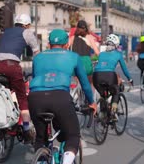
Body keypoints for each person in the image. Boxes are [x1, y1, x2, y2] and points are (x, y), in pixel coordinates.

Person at [29, 29, 96, 164]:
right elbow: (85, 84)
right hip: (60, 98)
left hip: (35, 98)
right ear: (66, 45)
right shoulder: (73, 56)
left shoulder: (38, 57)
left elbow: (36, 77)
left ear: (49, 44)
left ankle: (40, 159)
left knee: (41, 138)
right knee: (73, 136)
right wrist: (91, 102)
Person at [0, 14, 40, 142]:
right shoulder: (27, 33)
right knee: (22, 97)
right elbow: (37, 54)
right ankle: (26, 129)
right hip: (11, 66)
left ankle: (7, 115)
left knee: (10, 91)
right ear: (27, 25)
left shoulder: (7, 31)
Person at [93, 34, 133, 120]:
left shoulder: (101, 54)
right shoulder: (118, 54)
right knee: (116, 90)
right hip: (109, 76)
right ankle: (113, 111)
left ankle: (103, 113)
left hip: (96, 76)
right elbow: (124, 69)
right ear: (116, 45)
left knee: (103, 95)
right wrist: (130, 78)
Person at [69, 20, 100, 88]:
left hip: (75, 63)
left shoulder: (72, 38)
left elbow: (65, 49)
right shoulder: (89, 37)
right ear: (86, 28)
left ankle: (77, 93)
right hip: (86, 63)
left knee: (78, 81)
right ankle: (90, 98)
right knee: (90, 82)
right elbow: (97, 52)